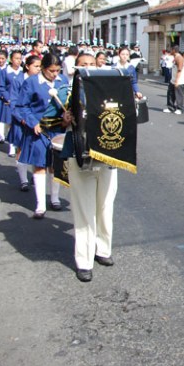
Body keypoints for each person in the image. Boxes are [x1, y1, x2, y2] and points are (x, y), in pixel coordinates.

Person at [64, 52, 119, 282]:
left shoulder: (107, 89)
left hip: (106, 156)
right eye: (83, 65)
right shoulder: (65, 91)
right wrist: (63, 118)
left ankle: (103, 249)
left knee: (105, 207)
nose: (88, 68)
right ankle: (84, 261)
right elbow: (49, 117)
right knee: (84, 210)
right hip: (80, 154)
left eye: (92, 64)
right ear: (76, 68)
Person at [15, 53, 71, 218]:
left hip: (58, 128)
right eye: (51, 71)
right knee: (40, 165)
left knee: (55, 164)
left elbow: (67, 103)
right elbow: (22, 106)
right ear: (43, 68)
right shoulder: (31, 82)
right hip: (39, 130)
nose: (55, 74)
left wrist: (67, 116)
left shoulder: (63, 81)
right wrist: (33, 122)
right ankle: (40, 205)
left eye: (57, 70)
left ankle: (54, 198)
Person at [9, 54, 40, 189]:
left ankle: (35, 175)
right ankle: (23, 180)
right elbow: (14, 102)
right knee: (21, 149)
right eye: (36, 66)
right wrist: (22, 118)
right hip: (21, 121)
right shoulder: (18, 80)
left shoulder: (40, 81)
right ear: (27, 66)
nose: (39, 69)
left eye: (40, 66)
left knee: (36, 148)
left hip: (36, 121)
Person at [3, 50, 24, 157]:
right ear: (11, 59)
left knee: (16, 126)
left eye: (20, 58)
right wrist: (7, 98)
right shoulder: (6, 71)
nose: (18, 61)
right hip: (9, 101)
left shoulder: (22, 72)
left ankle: (15, 145)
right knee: (10, 124)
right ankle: (11, 146)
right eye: (16, 58)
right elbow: (2, 86)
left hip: (20, 103)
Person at [164, 46, 184, 115]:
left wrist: (177, 81)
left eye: (171, 50)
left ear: (174, 50)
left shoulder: (179, 58)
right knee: (170, 93)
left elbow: (179, 70)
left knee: (179, 95)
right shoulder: (175, 57)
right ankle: (170, 107)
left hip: (179, 80)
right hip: (173, 80)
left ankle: (180, 108)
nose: (170, 51)